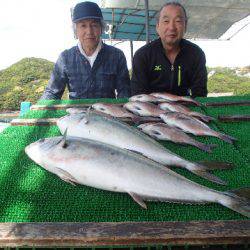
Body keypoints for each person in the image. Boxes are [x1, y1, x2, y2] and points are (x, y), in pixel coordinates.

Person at [41, 1, 130, 100]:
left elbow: (124, 91)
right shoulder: (65, 58)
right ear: (76, 30)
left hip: (107, 113)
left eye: (94, 25)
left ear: (101, 28)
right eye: (83, 26)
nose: (89, 32)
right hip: (76, 114)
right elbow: (52, 92)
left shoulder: (117, 55)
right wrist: (40, 109)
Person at [131, 2, 208, 98]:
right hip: (152, 108)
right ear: (157, 26)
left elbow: (200, 93)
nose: (172, 27)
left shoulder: (196, 54)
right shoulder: (142, 55)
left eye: (178, 21)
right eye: (166, 21)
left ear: (185, 26)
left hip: (184, 108)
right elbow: (138, 95)